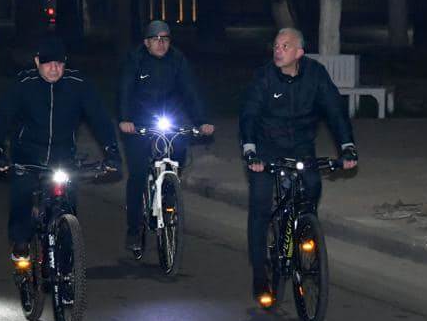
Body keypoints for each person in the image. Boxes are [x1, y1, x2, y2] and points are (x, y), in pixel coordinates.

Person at [239, 28, 358, 305]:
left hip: (301, 147)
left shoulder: (315, 75)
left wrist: (347, 146)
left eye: (285, 46)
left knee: (312, 186)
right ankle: (260, 274)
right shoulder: (264, 77)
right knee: (260, 205)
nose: (278, 51)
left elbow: (335, 111)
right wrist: (250, 151)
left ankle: (304, 230)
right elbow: (249, 114)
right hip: (266, 149)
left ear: (299, 53)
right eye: (276, 46)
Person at [0, 36, 122, 262]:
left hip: (63, 156)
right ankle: (21, 240)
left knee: (69, 202)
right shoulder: (23, 84)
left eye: (59, 63)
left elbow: (99, 118)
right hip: (28, 155)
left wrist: (112, 151)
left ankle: (67, 254)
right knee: (22, 193)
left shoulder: (78, 84)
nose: (54, 69)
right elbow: (2, 118)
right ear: (37, 61)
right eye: (48, 63)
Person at [117, 19, 214, 254]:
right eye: (156, 39)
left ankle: (169, 195)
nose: (161, 44)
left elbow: (190, 91)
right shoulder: (135, 60)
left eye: (165, 39)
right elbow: (125, 90)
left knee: (177, 154)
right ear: (146, 43)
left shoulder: (178, 60)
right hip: (139, 122)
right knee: (138, 173)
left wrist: (202, 121)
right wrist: (125, 119)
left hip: (169, 118)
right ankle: (134, 230)